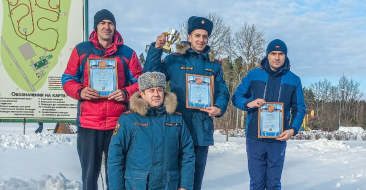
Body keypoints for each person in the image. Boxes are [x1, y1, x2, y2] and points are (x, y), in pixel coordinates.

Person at [144, 16, 229, 190]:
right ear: (189, 37)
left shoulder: (214, 66)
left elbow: (222, 91)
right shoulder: (175, 59)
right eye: (197, 35)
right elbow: (151, 76)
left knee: (195, 180)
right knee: (171, 177)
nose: (201, 40)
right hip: (175, 126)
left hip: (201, 129)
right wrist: (156, 49)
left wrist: (219, 107)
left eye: (205, 36)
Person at [61, 9, 143, 190]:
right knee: (89, 175)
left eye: (110, 23)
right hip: (89, 123)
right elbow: (67, 79)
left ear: (115, 27)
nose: (107, 27)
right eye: (103, 23)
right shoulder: (81, 50)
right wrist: (80, 91)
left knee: (116, 172)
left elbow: (140, 82)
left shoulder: (127, 53)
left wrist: (126, 93)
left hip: (118, 124)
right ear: (96, 27)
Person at [232, 39, 306, 190]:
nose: (277, 57)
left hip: (278, 139)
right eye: (273, 53)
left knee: (273, 184)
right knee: (257, 183)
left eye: (280, 54)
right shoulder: (253, 75)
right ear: (267, 55)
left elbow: (299, 108)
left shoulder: (294, 80)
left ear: (285, 56)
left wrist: (292, 129)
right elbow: (236, 97)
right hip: (255, 138)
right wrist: (248, 104)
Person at [108, 71, 195, 190]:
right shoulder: (128, 120)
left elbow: (187, 153)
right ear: (142, 94)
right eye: (151, 90)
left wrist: (185, 185)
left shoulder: (176, 119)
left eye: (159, 89)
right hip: (137, 186)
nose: (156, 94)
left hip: (169, 185)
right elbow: (115, 157)